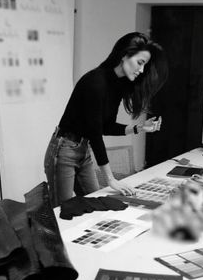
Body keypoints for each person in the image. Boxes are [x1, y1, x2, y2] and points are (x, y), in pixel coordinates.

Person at [44, 32, 168, 207]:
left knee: (96, 203)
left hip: (83, 150)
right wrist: (111, 179)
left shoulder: (117, 85)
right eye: (140, 63)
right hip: (64, 150)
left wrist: (137, 128)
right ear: (124, 55)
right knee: (63, 211)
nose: (141, 70)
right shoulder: (95, 82)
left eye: (144, 66)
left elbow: (106, 126)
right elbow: (95, 133)